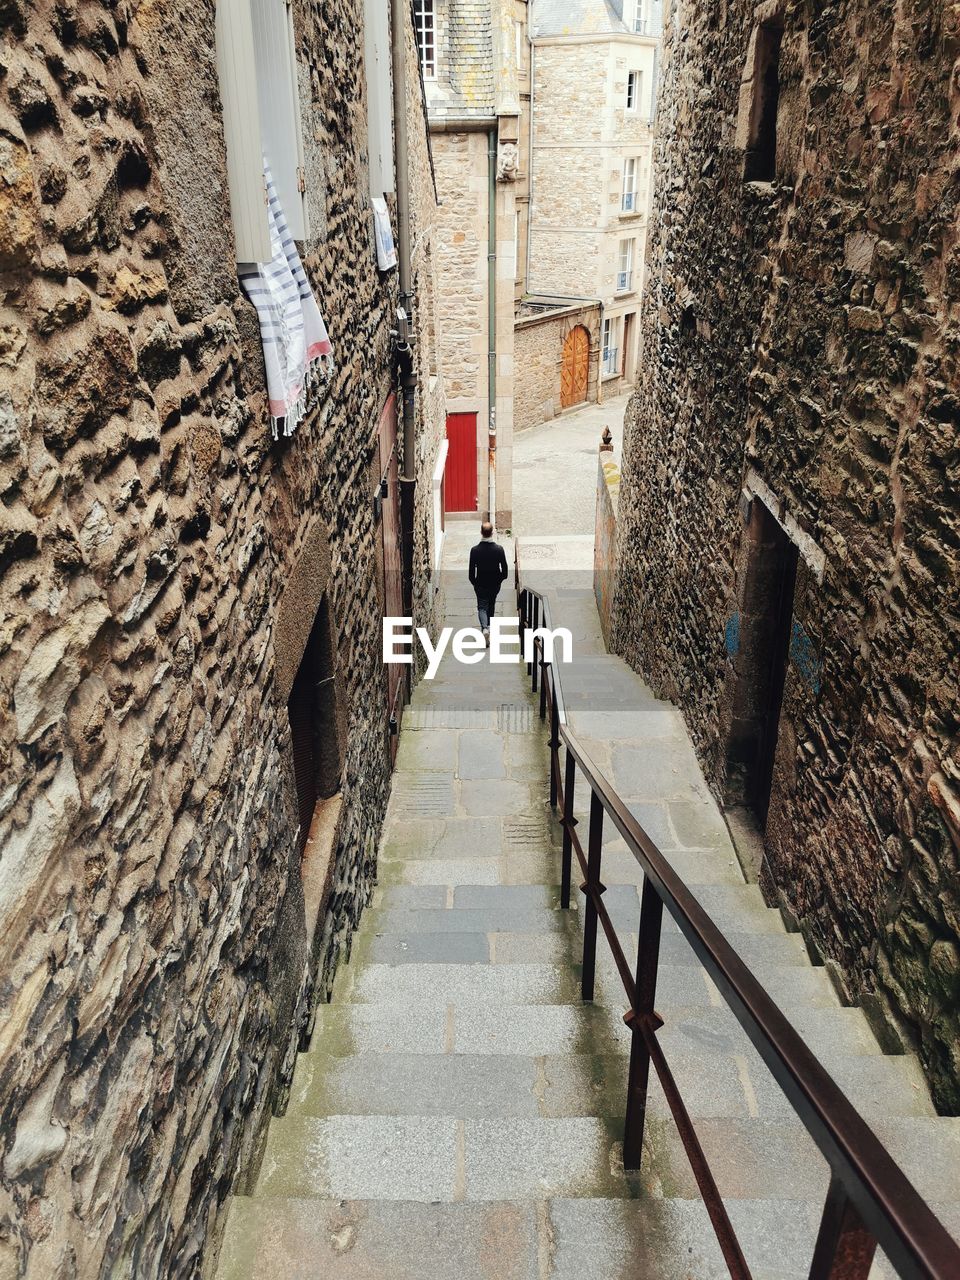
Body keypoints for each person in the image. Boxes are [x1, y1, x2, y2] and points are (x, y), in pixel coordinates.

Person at [468, 522, 509, 644]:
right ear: (492, 532)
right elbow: (505, 570)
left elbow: (471, 572)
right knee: (491, 604)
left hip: (480, 583)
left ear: (481, 532)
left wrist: (475, 583)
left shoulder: (475, 550)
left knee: (482, 607)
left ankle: (485, 629)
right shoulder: (499, 549)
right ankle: (489, 628)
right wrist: (500, 579)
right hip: (494, 584)